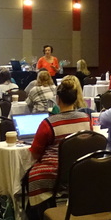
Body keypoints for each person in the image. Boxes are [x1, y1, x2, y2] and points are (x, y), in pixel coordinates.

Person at [25, 76, 92, 205]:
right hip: (80, 169)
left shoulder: (48, 123)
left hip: (54, 173)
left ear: (58, 99)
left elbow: (35, 153)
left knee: (30, 174)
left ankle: (38, 211)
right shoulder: (85, 119)